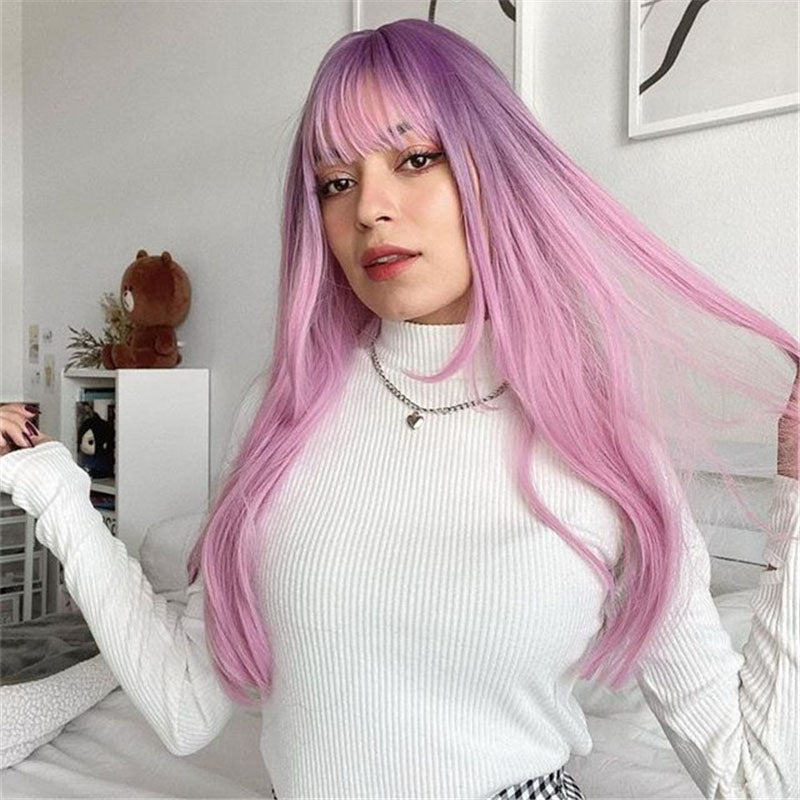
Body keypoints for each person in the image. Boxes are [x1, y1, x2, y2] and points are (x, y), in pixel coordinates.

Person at [1, 17, 798, 800]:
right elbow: (186, 707)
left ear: (494, 172)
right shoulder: (283, 413)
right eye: (335, 182)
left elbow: (752, 780)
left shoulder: (604, 442)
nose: (369, 208)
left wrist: (794, 494)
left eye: (416, 158)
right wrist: (53, 485)